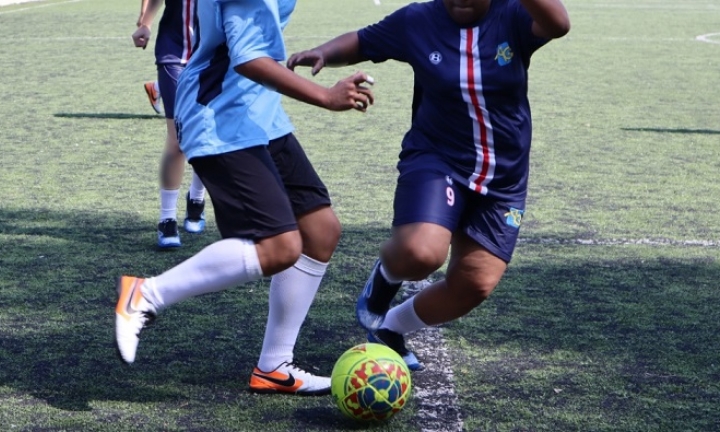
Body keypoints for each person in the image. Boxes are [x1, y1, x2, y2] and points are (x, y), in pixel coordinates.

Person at [287, 0, 570, 371]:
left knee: (475, 284)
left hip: (504, 177)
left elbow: (558, 23)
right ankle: (385, 276)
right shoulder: (419, 19)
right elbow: (362, 41)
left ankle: (390, 329)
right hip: (437, 160)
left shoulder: (512, 15)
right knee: (421, 254)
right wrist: (323, 52)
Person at [115, 0, 375, 396]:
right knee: (279, 246)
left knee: (320, 231)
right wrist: (325, 96)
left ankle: (274, 365)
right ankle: (145, 295)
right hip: (219, 116)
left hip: (258, 114)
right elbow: (248, 59)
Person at [132, 0, 207, 249]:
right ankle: (167, 218)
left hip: (212, 55)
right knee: (178, 138)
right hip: (173, 52)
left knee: (207, 132)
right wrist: (145, 23)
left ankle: (196, 198)